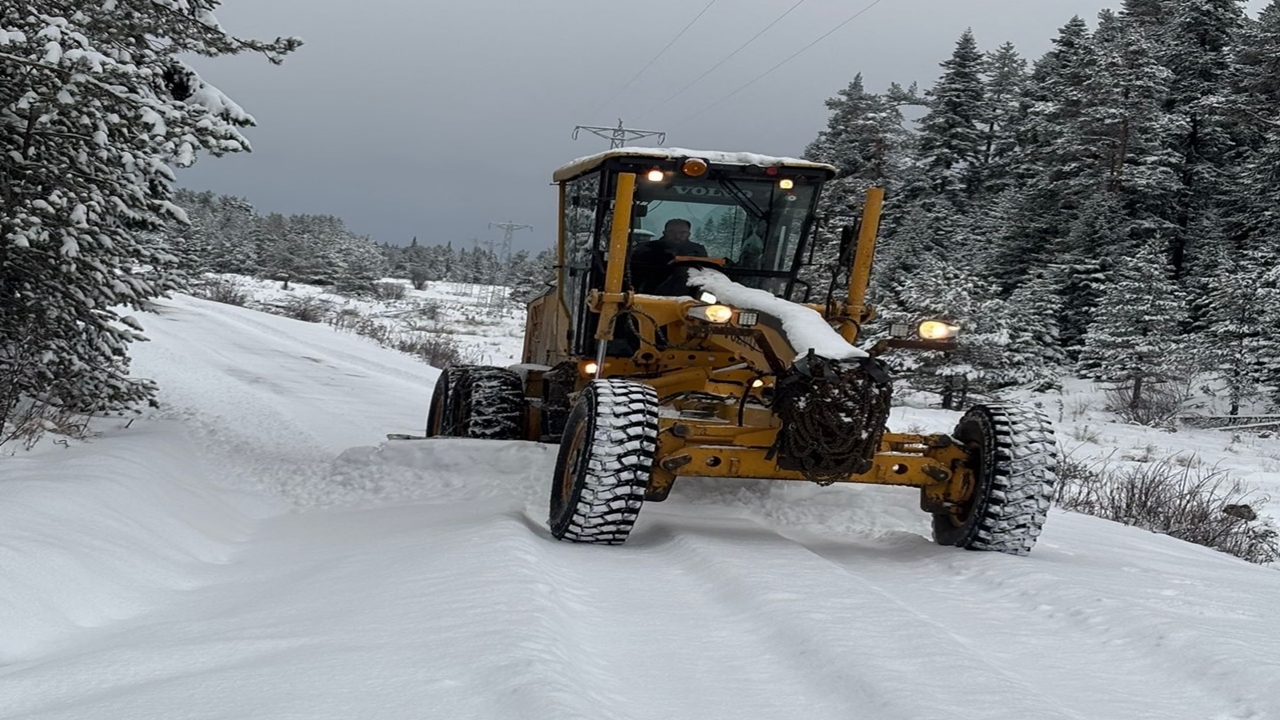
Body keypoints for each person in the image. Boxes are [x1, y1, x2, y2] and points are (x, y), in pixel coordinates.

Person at [629, 219, 708, 294]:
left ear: (688, 234)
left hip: (689, 299)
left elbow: (705, 274)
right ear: (664, 233)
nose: (677, 236)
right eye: (672, 232)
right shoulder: (646, 250)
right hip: (648, 296)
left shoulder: (697, 251)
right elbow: (633, 275)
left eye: (682, 233)